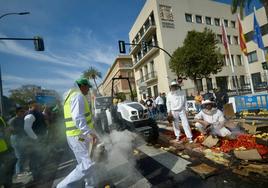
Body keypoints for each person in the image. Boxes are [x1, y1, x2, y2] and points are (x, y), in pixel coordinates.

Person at [57, 77, 98, 188]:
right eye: (87, 88)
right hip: (78, 136)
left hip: (78, 136)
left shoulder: (71, 95)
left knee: (85, 162)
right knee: (87, 164)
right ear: (82, 86)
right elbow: (78, 118)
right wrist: (90, 133)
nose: (88, 90)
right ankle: (63, 186)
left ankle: (90, 185)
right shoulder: (78, 96)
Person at [24, 100, 48, 178]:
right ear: (30, 105)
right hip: (35, 140)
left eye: (37, 103)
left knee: (39, 156)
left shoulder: (38, 112)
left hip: (40, 138)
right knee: (35, 156)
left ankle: (39, 172)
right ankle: (35, 174)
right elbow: (27, 128)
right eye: (35, 104)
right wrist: (35, 138)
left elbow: (42, 118)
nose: (38, 104)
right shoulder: (30, 114)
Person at [8, 107, 30, 178]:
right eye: (21, 111)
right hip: (16, 139)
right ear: (17, 112)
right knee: (19, 156)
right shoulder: (12, 120)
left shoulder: (22, 119)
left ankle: (22, 170)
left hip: (22, 138)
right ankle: (18, 173)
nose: (23, 113)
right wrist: (19, 131)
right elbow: (10, 131)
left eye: (23, 111)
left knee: (23, 155)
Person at [0, 116, 16, 188]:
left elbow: (7, 130)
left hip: (4, 147)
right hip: (3, 148)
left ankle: (7, 183)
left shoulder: (1, 118)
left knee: (8, 166)